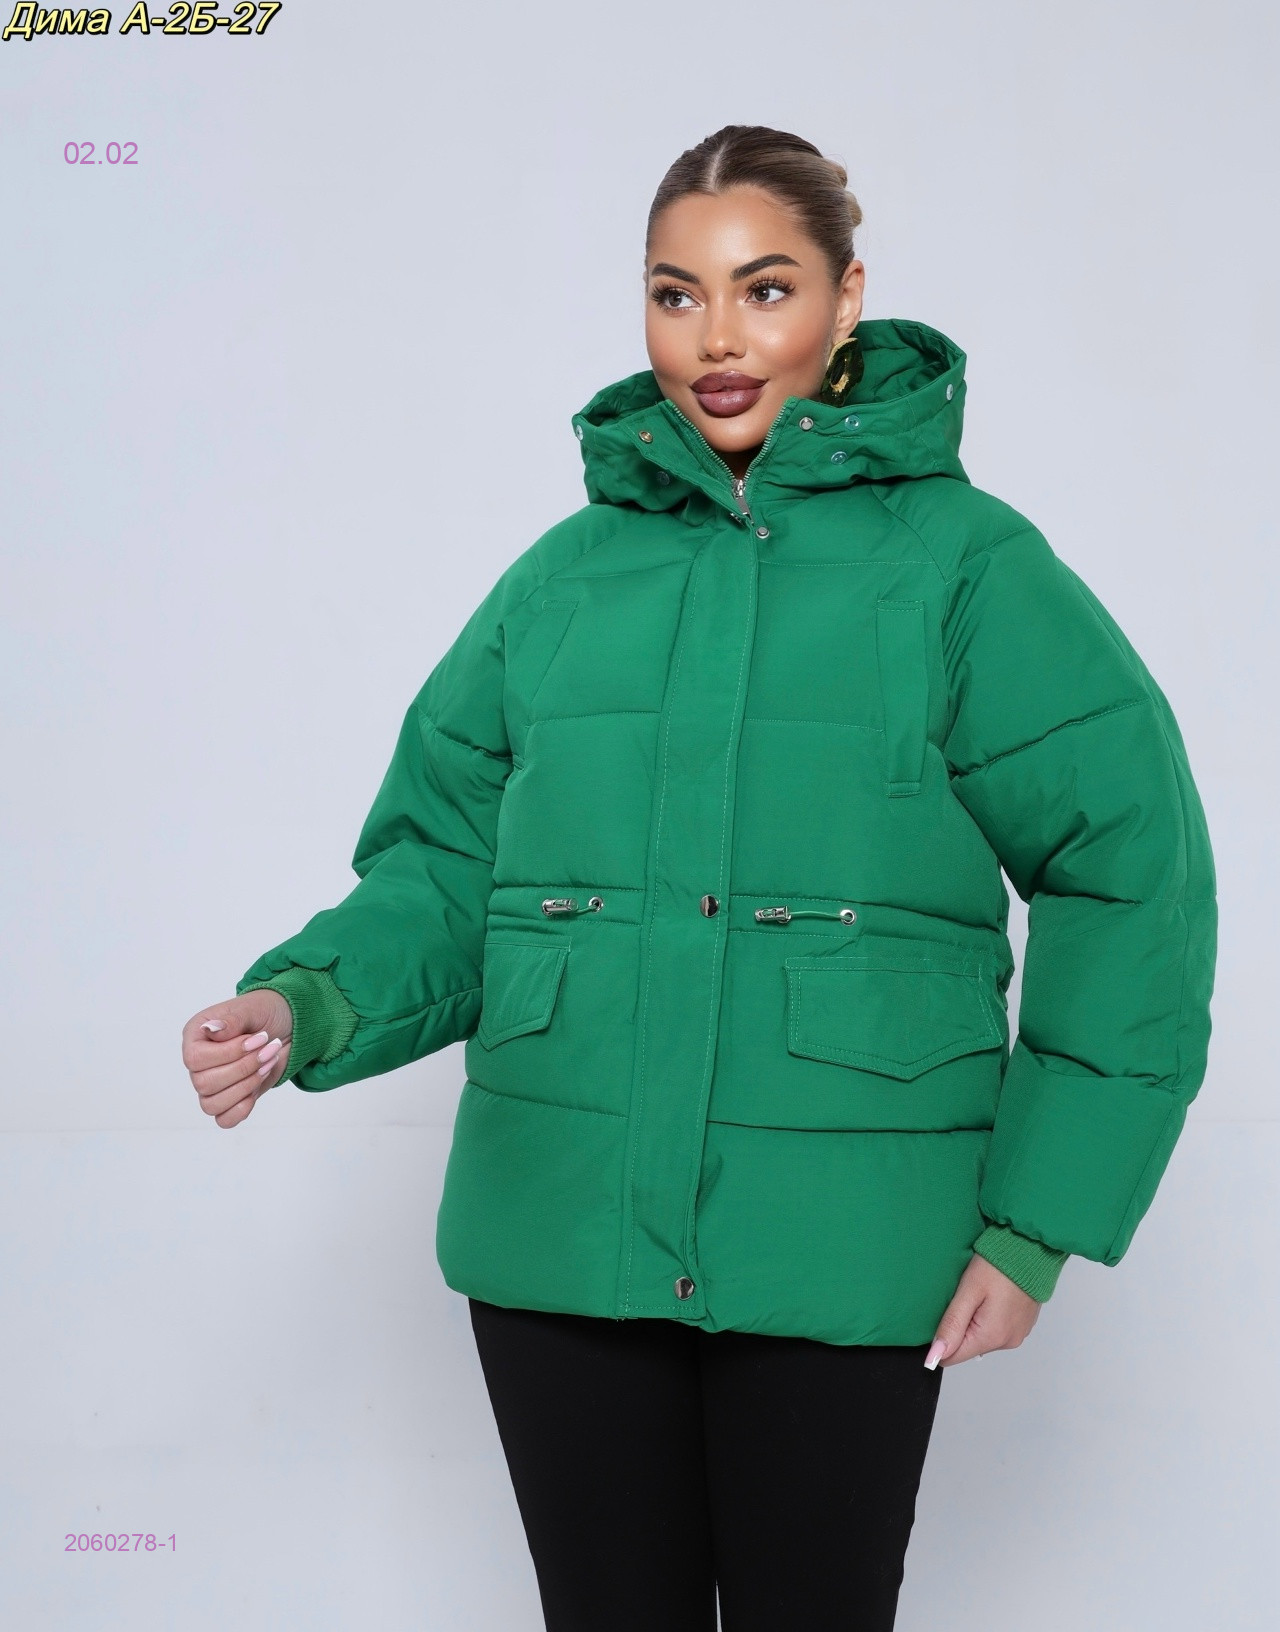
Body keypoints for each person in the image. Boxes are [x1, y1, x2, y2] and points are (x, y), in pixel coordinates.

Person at [181, 125, 1218, 1631]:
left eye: (764, 288)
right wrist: (308, 1004)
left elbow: (1132, 876)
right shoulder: (564, 579)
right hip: (562, 1235)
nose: (717, 338)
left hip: (849, 1238)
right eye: (677, 295)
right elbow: (450, 863)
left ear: (847, 300)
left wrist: (1034, 1222)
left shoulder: (967, 571)